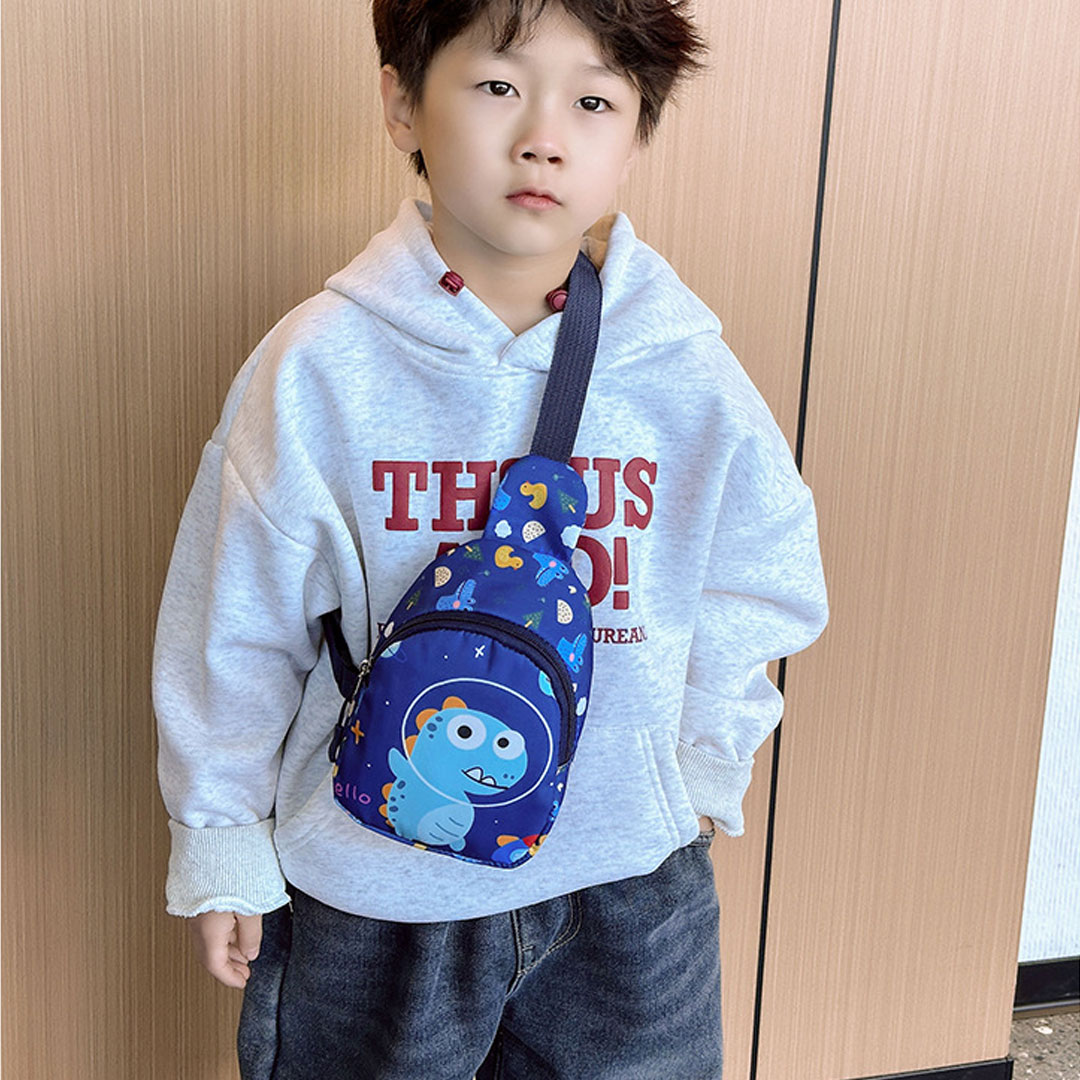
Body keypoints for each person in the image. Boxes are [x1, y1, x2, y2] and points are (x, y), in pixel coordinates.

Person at [152, 1, 829, 1076]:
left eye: (595, 101)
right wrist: (221, 836)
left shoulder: (681, 366)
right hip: (375, 888)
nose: (544, 136)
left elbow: (762, 575)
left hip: (626, 887)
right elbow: (234, 620)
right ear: (402, 104)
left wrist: (702, 761)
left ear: (637, 136)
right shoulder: (320, 367)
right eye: (499, 86)